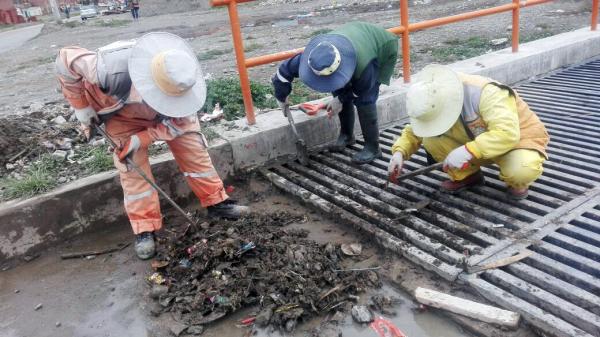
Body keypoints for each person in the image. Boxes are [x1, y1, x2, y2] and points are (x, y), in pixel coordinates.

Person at [55, 32, 249, 260]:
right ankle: (144, 228)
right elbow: (64, 60)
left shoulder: (182, 79)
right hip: (120, 118)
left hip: (168, 118)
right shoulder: (107, 70)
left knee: (194, 150)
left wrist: (142, 138)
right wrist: (81, 108)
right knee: (132, 169)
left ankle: (217, 203)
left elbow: (180, 125)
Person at [388, 64, 549, 200]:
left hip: (517, 140)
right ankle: (469, 176)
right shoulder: (431, 98)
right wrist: (400, 152)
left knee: (520, 170)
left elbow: (506, 133)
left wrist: (468, 151)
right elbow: (417, 129)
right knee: (430, 140)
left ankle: (517, 184)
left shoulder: (485, 93)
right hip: (474, 138)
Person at [272, 21, 399, 164]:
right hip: (352, 37)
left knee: (365, 99)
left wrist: (340, 100)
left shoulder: (365, 65)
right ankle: (347, 135)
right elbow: (282, 74)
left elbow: (362, 89)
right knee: (338, 87)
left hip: (381, 47)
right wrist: (281, 97)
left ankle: (373, 147)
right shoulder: (313, 57)